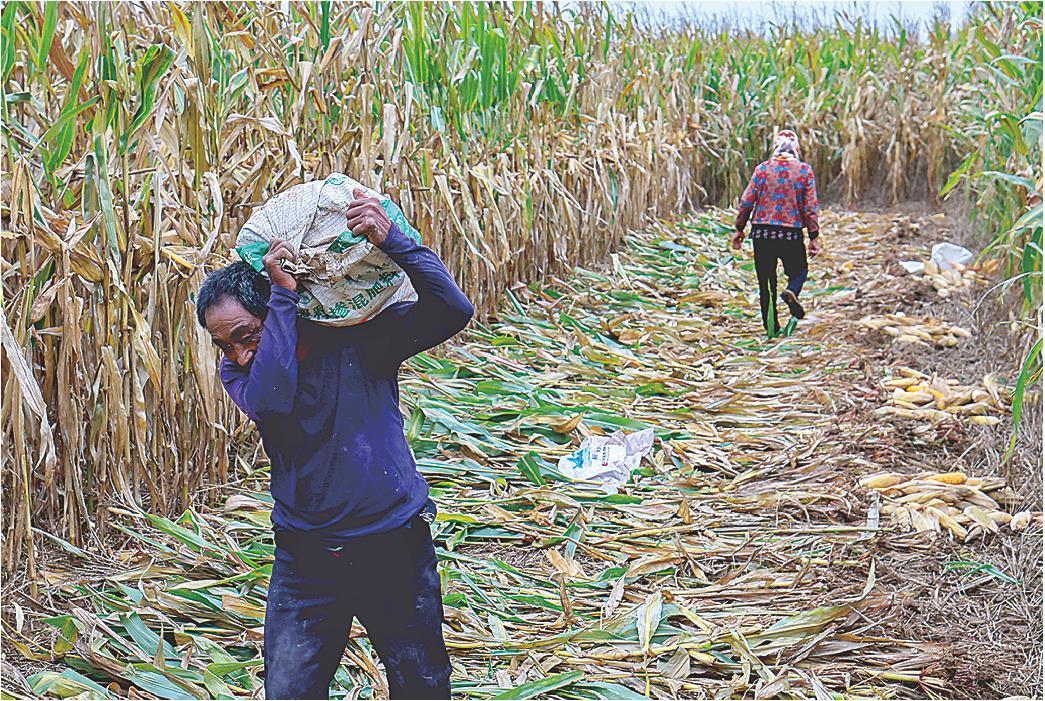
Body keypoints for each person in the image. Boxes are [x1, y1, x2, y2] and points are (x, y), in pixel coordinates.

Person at [195, 189, 473, 699]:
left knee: (422, 686)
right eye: (223, 344)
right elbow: (275, 400)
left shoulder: (359, 337)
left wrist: (397, 242)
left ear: (282, 310)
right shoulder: (244, 375)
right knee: (289, 691)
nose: (237, 352)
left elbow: (453, 309)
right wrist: (278, 299)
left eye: (245, 334)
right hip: (306, 559)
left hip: (392, 542)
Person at [731, 129, 821, 336]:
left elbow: (747, 201)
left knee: (766, 282)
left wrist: (739, 228)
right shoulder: (804, 171)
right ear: (796, 149)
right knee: (799, 272)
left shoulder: (762, 170)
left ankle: (771, 327)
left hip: (762, 234)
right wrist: (814, 237)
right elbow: (810, 208)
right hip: (791, 234)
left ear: (775, 148)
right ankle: (792, 291)